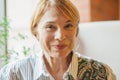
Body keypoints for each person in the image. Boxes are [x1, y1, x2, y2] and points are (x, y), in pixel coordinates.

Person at [0, 0, 116, 80]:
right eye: (50, 26)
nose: (60, 36)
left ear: (76, 30)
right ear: (36, 31)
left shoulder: (101, 74)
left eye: (68, 26)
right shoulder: (13, 74)